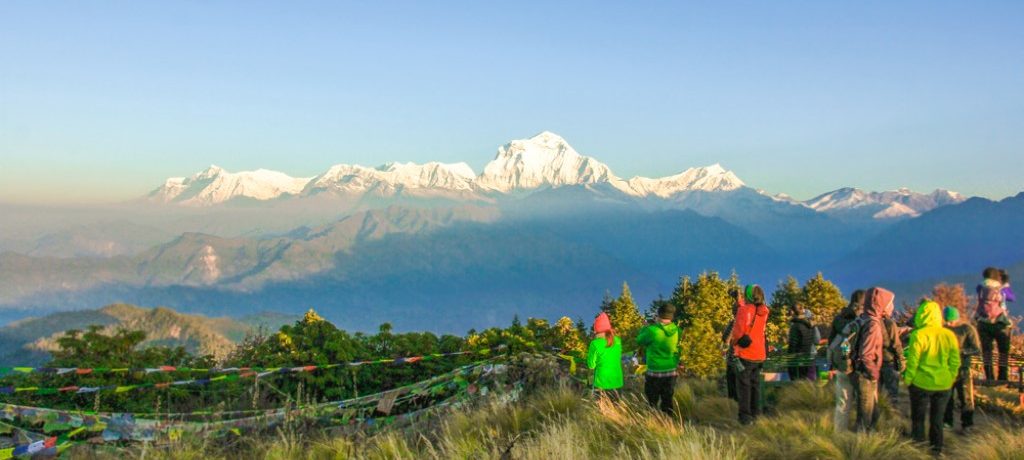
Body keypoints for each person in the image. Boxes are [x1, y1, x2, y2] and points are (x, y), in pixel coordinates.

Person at [903, 300, 960, 454]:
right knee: (937, 420)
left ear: (921, 315)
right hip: (943, 383)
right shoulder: (949, 335)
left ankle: (918, 449)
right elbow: (955, 361)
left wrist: (908, 379)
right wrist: (951, 377)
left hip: (920, 383)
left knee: (918, 418)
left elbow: (913, 361)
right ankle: (936, 450)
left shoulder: (918, 334)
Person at [851, 286, 893, 432]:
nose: (891, 307)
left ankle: (867, 439)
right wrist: (874, 374)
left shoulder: (864, 318)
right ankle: (860, 446)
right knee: (865, 415)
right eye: (888, 303)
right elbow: (866, 355)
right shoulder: (873, 325)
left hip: (858, 371)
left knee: (869, 412)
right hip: (865, 374)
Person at [730, 284, 769, 424]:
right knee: (755, 385)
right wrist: (739, 300)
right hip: (759, 354)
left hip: (746, 353)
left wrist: (734, 343)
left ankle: (745, 417)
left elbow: (737, 332)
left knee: (744, 386)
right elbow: (751, 313)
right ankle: (756, 414)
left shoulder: (743, 311)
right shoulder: (764, 311)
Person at [636, 303, 681, 416]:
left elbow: (639, 340)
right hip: (671, 370)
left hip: (655, 371)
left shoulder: (652, 330)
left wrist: (645, 327)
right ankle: (669, 423)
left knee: (652, 400)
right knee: (667, 399)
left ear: (659, 315)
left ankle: (653, 422)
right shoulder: (677, 330)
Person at [830, 289, 865, 432]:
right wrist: (848, 359)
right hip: (855, 366)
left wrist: (838, 362)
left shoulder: (839, 319)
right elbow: (847, 345)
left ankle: (839, 434)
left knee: (842, 403)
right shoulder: (859, 322)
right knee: (863, 404)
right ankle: (860, 434)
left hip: (842, 367)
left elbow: (833, 342)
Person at [942, 306, 980, 432]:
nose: (949, 323)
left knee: (966, 397)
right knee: (947, 397)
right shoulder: (942, 330)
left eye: (950, 320)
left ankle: (967, 424)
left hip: (963, 368)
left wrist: (961, 352)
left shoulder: (967, 329)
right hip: (946, 368)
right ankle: (947, 422)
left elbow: (976, 349)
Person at [975, 267, 1012, 381]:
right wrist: (1005, 282)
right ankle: (1002, 377)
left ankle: (989, 377)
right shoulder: (1001, 289)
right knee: (1003, 351)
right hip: (999, 323)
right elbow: (1011, 298)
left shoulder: (980, 287)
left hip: (983, 322)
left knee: (987, 352)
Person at [587, 312, 623, 397]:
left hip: (601, 382)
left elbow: (591, 365)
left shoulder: (595, 344)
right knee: (616, 409)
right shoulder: (618, 341)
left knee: (601, 409)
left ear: (596, 329)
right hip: (617, 381)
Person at [880, 298, 905, 402]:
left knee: (876, 392)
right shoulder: (890, 323)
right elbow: (896, 345)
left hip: (874, 361)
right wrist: (901, 360)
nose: (892, 308)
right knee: (892, 392)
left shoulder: (871, 322)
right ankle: (891, 413)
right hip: (888, 361)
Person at [787, 302, 816, 381]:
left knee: (796, 381)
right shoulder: (811, 325)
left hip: (796, 358)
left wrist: (789, 360)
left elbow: (793, 344)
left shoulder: (795, 326)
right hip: (807, 355)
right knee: (805, 381)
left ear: (793, 312)